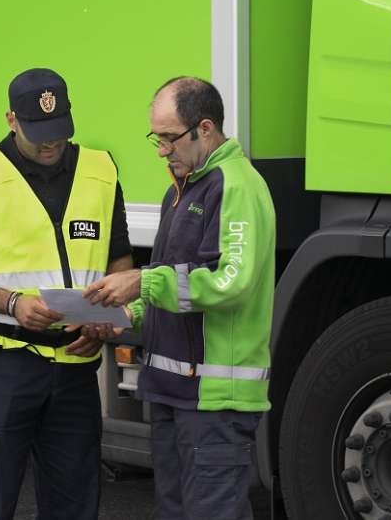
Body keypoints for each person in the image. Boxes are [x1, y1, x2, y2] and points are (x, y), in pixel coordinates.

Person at [0, 67, 134, 520]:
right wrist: (12, 303)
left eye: (59, 131)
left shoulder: (100, 171)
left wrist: (104, 317)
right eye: (38, 133)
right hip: (5, 364)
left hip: (76, 367)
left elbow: (119, 260)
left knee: (75, 503)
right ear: (11, 119)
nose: (50, 143)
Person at [84, 77, 275, 520]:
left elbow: (231, 281)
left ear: (204, 128)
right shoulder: (183, 188)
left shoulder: (236, 186)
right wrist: (126, 316)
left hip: (214, 402)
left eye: (169, 138)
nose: (161, 150)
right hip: (174, 393)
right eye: (157, 138)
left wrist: (143, 283)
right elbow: (176, 282)